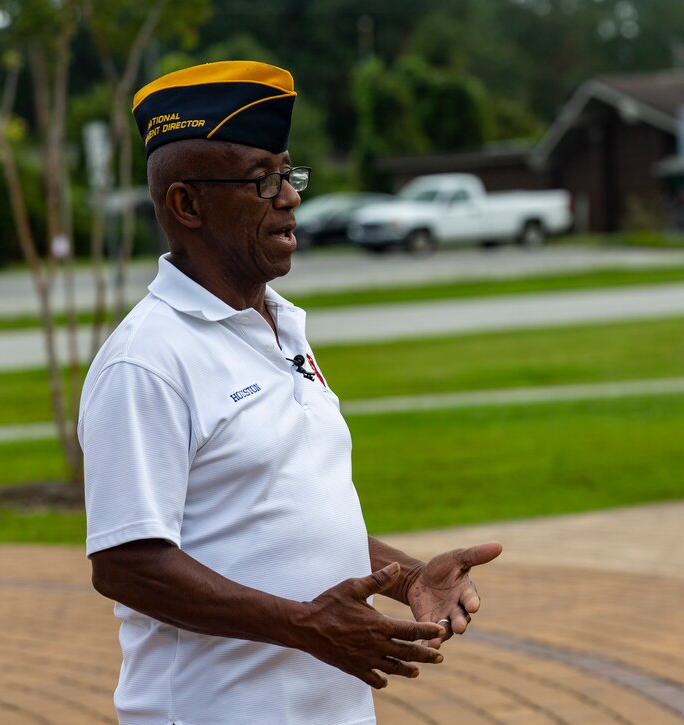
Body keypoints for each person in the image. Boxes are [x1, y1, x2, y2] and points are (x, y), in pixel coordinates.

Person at [80, 60, 503, 725]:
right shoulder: (147, 361)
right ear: (187, 204)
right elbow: (128, 563)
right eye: (262, 179)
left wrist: (406, 578)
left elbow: (277, 513)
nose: (290, 197)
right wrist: (306, 625)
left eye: (289, 173)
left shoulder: (282, 326)